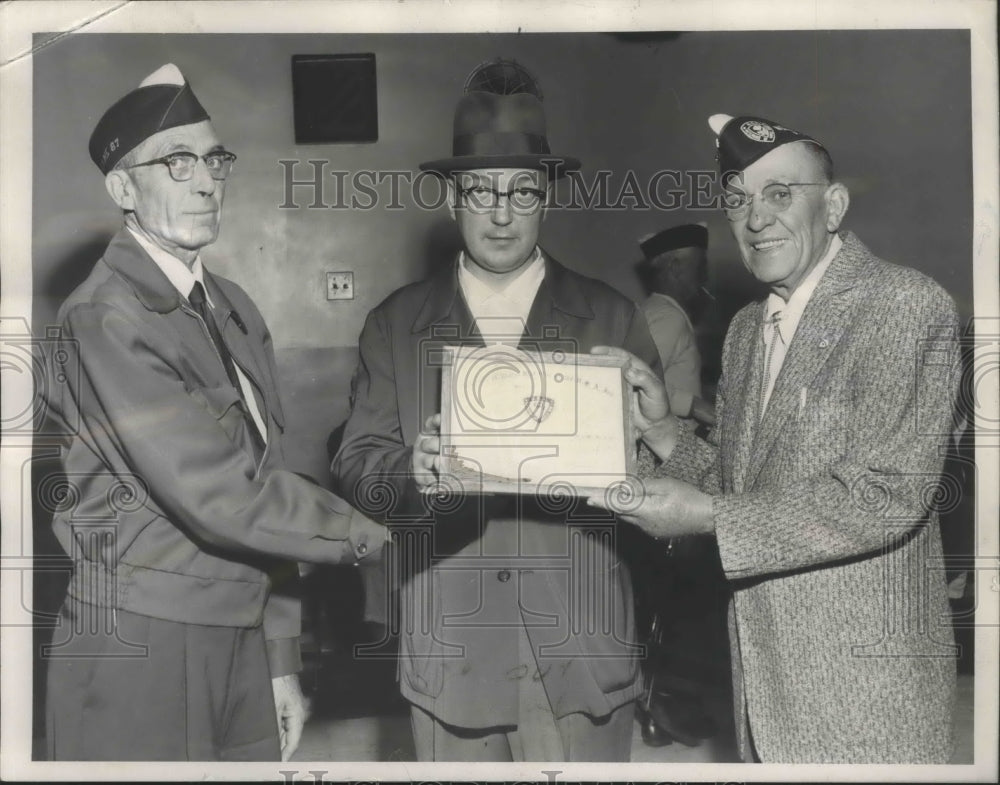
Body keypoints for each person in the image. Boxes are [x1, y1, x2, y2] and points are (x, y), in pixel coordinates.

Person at [42, 63, 386, 761]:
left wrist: (282, 656)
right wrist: (376, 533)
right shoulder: (104, 316)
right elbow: (221, 496)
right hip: (141, 643)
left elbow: (266, 471)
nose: (205, 180)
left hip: (241, 635)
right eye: (176, 162)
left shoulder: (231, 307)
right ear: (122, 188)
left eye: (213, 159)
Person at [590, 113, 960, 763]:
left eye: (780, 194)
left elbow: (885, 494)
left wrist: (706, 515)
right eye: (738, 199)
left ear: (835, 206)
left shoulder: (903, 303)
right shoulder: (744, 330)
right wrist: (662, 429)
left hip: (865, 697)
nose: (755, 217)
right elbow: (742, 485)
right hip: (762, 684)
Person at [331, 59, 660, 762]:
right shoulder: (396, 322)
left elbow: (663, 479)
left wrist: (653, 440)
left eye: (521, 190)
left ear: (547, 198)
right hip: (454, 651)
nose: (502, 212)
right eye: (481, 190)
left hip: (581, 648)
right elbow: (356, 463)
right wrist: (409, 472)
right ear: (452, 199)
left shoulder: (609, 315)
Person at [636, 223, 714, 426]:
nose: (705, 277)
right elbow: (635, 379)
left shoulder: (653, 309)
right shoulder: (669, 318)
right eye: (700, 268)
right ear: (676, 268)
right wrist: (694, 406)